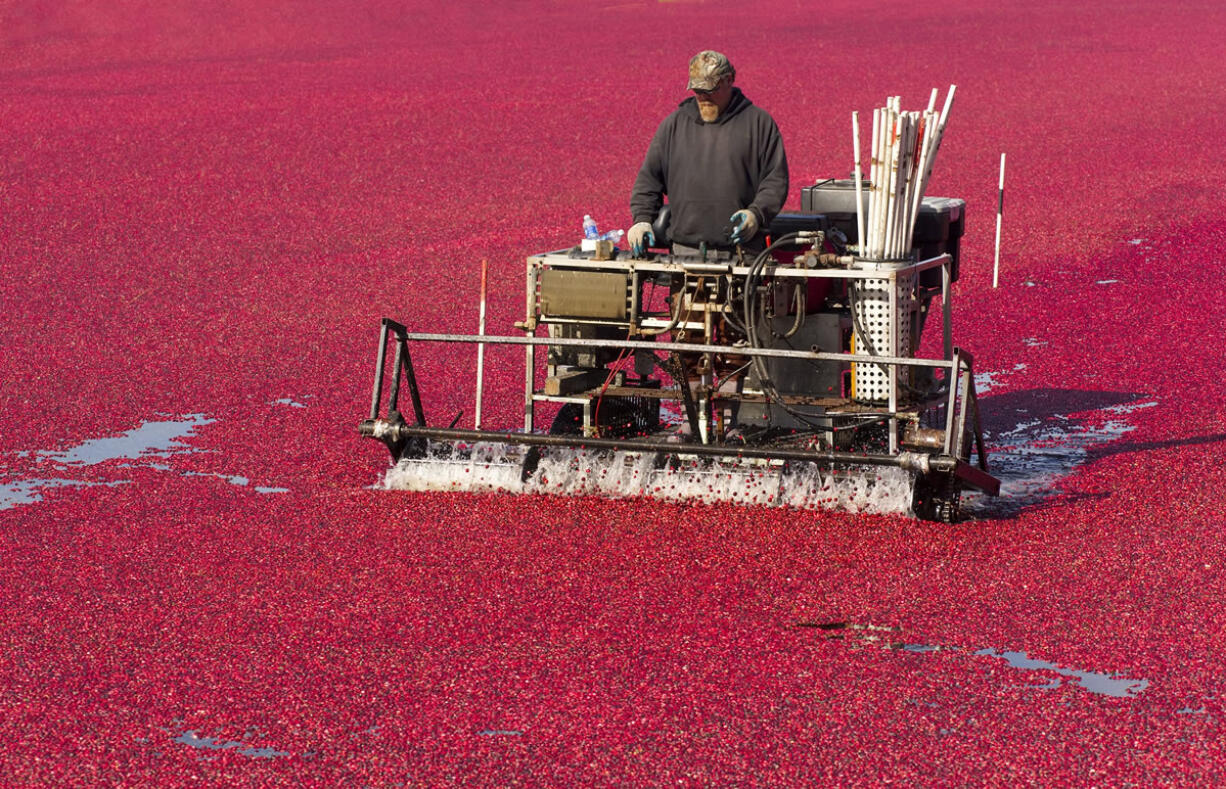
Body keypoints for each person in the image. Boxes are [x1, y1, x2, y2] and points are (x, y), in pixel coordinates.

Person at [628, 50, 789, 256]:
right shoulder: (673, 126)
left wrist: (755, 215)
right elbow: (648, 181)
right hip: (684, 252)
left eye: (710, 90)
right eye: (697, 90)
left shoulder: (759, 124)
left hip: (742, 252)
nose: (703, 97)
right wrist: (642, 221)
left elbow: (775, 180)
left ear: (729, 79)